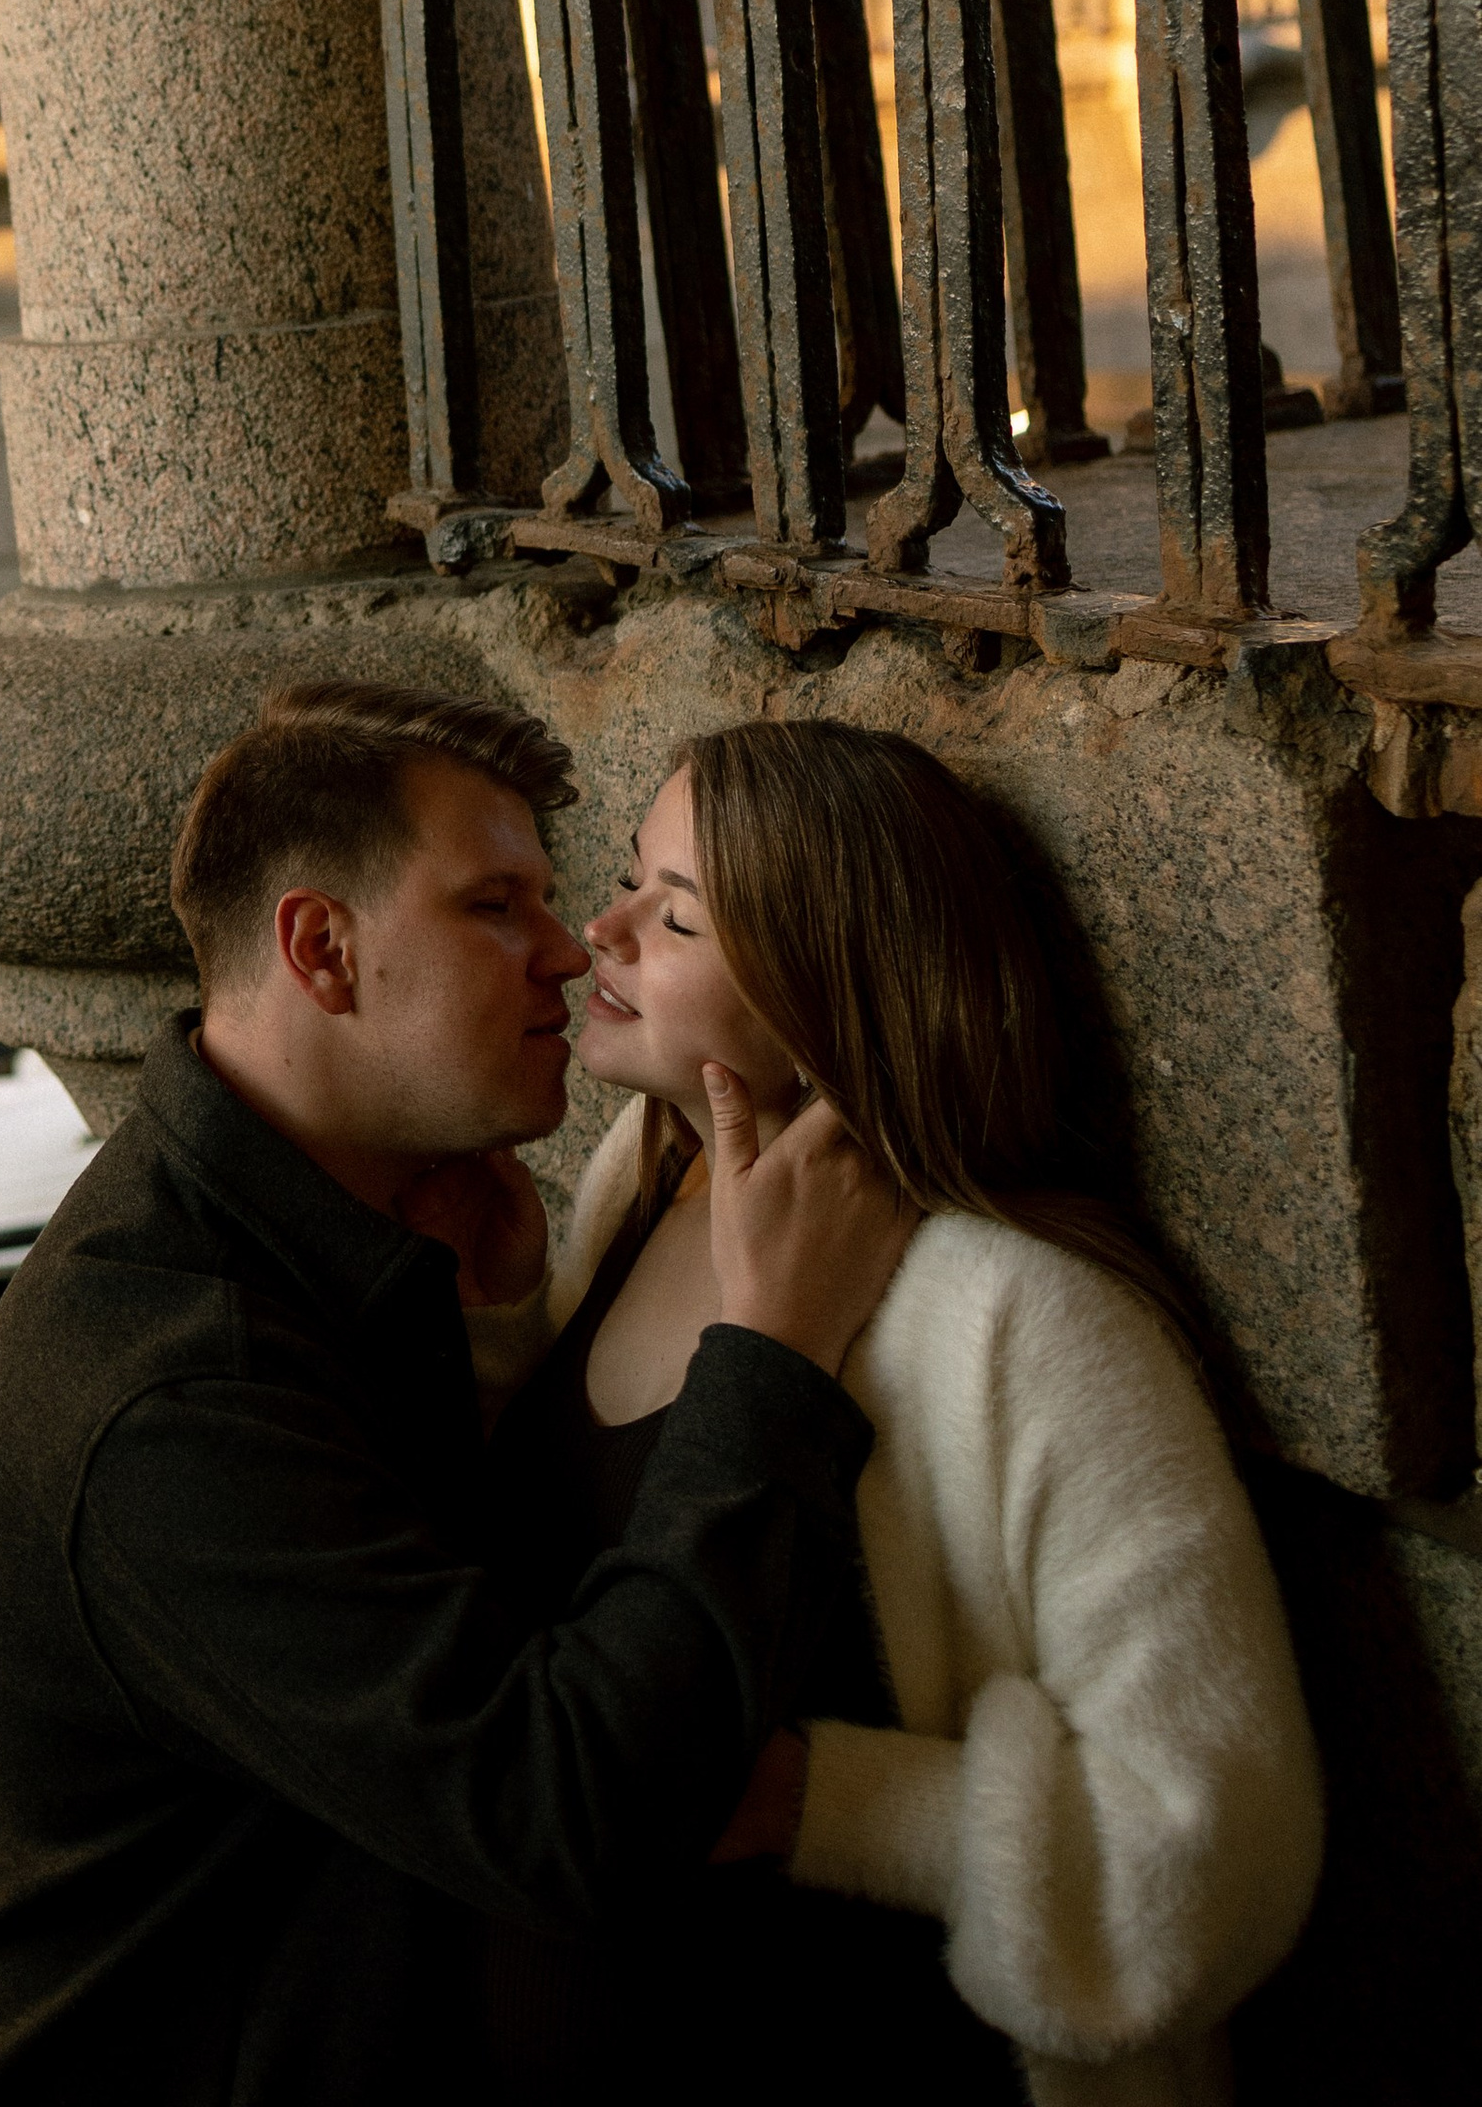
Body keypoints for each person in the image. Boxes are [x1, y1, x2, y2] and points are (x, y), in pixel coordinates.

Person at [0, 678, 916, 2106]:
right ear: (323, 949)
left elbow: (429, 1626)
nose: (563, 953)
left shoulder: (335, 1222)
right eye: (494, 906)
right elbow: (572, 1817)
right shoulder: (167, 1393)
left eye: (560, 896)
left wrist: (486, 1345)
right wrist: (776, 1352)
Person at [480, 717, 1323, 2105]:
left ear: (826, 994)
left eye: (675, 914)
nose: (600, 931)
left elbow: (1214, 1849)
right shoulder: (640, 1179)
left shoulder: (1020, 1320)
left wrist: (824, 1803)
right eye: (632, 877)